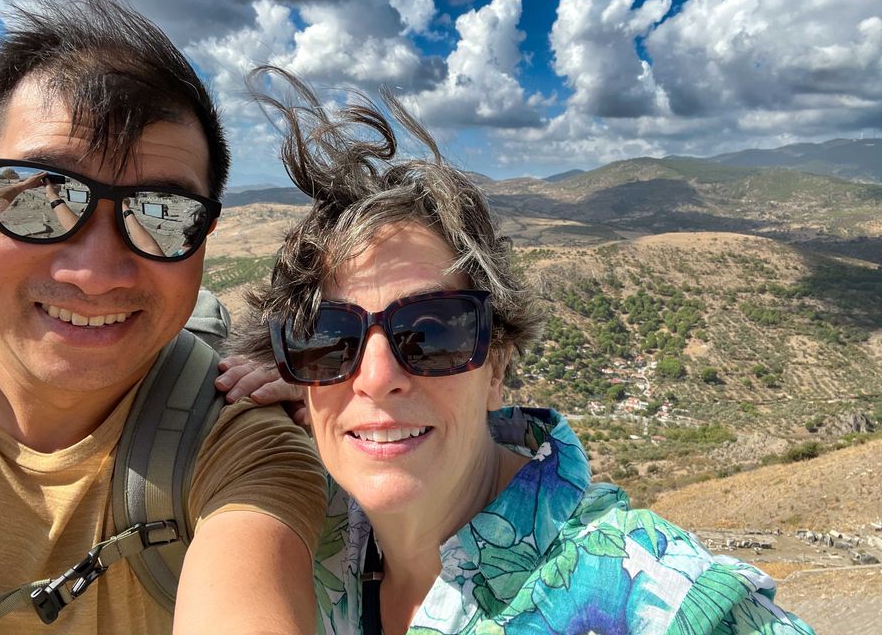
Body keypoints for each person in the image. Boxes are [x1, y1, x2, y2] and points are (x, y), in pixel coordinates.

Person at [220, 67, 814, 634]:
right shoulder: (311, 523)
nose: (375, 378)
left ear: (497, 363)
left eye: (431, 333)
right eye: (330, 339)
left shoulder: (646, 588)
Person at [0, 0, 325, 633]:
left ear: (204, 236)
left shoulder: (239, 451)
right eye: (45, 195)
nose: (95, 274)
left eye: (161, 216)